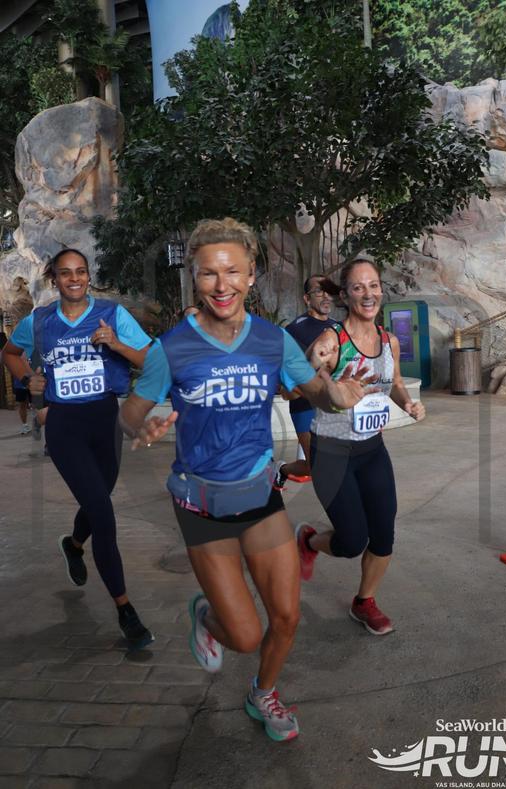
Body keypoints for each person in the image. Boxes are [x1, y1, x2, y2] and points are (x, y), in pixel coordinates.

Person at [120, 218, 377, 741]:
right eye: (209, 273)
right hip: (203, 507)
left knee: (286, 618)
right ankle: (207, 617)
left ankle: (263, 693)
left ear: (251, 274)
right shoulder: (171, 348)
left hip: (260, 497)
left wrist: (337, 395)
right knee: (242, 635)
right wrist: (139, 426)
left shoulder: (271, 340)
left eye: (233, 271)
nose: (222, 285)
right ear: (194, 277)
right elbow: (130, 411)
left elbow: (314, 391)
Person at [1, 248, 154, 650]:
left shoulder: (112, 314)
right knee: (103, 513)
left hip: (105, 419)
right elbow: (10, 354)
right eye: (66, 273)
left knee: (99, 497)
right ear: (54, 279)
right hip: (65, 425)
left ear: (88, 276)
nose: (74, 279)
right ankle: (125, 610)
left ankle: (72, 545)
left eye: (81, 272)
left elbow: (150, 360)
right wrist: (27, 381)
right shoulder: (39, 321)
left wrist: (117, 344)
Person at [296, 254, 425, 636]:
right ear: (346, 295)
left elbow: (395, 382)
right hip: (331, 452)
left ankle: (364, 601)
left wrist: (408, 403)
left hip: (372, 450)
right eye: (358, 287)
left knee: (383, 534)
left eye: (373, 286)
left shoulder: (388, 341)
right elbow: (299, 382)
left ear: (381, 291)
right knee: (352, 541)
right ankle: (309, 541)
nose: (368, 294)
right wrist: (324, 377)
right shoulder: (331, 340)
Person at [276, 276, 339, 486]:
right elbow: (286, 382)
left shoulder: (338, 328)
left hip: (336, 406)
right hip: (305, 407)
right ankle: (281, 470)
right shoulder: (294, 330)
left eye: (329, 291)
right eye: (319, 291)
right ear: (306, 298)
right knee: (315, 467)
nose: (326, 296)